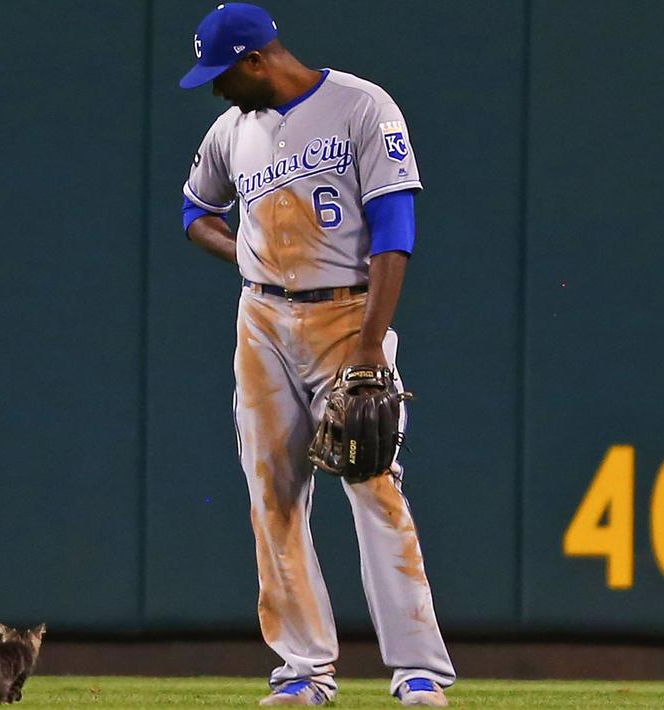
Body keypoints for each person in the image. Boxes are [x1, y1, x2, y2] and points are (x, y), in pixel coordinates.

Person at [178, 3, 456, 707]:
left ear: (255, 60)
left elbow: (395, 230)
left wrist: (368, 348)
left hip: (346, 313)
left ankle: (418, 669)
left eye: (221, 73)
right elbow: (193, 213)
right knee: (271, 493)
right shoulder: (229, 133)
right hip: (262, 320)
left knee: (372, 482)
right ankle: (303, 671)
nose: (215, 88)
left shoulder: (360, 106)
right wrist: (242, 255)